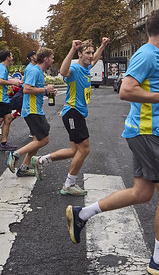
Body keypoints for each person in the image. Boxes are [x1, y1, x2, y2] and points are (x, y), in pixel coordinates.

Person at [66, 9, 159, 275]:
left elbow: (149, 91)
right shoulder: (147, 54)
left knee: (142, 193)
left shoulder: (155, 55)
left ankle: (82, 214)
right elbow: (126, 90)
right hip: (146, 133)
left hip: (146, 131)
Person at [36, 37, 110, 196]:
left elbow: (96, 58)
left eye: (91, 53)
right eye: (87, 53)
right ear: (80, 54)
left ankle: (41, 160)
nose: (91, 56)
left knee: (74, 151)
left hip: (78, 113)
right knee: (85, 149)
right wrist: (72, 49)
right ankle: (69, 184)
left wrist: (102, 45)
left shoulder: (86, 68)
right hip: (73, 112)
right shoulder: (75, 69)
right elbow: (63, 72)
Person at [6, 48, 57, 177]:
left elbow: (33, 89)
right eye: (52, 57)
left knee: (37, 140)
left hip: (33, 109)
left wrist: (46, 91)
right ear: (45, 58)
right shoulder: (35, 71)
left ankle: (24, 167)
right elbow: (26, 89)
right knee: (44, 139)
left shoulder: (38, 71)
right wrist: (45, 89)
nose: (53, 59)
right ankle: (15, 154)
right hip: (32, 110)